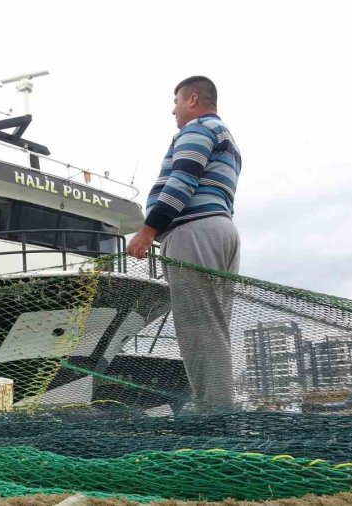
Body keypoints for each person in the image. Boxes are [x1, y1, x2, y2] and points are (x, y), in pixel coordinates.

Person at [126, 76, 242, 413]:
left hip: (194, 232)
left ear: (192, 99)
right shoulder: (228, 140)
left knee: (197, 328)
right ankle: (218, 408)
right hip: (222, 230)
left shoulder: (197, 129)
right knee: (214, 326)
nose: (173, 110)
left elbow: (183, 179)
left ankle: (214, 417)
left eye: (176, 101)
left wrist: (149, 230)